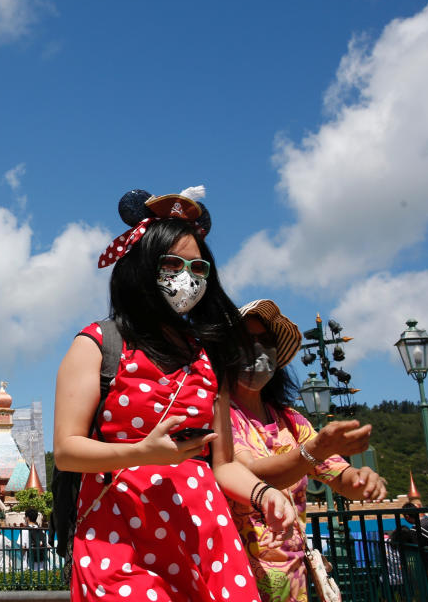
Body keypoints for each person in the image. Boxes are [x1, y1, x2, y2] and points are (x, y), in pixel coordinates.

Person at [54, 188, 297, 601]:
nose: (188, 277)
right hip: (120, 532)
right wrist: (142, 453)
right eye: (172, 264)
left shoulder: (209, 356)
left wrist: (265, 493)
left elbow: (220, 464)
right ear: (142, 267)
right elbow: (66, 450)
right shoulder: (98, 343)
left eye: (198, 267)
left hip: (204, 530)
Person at [229, 299, 387, 602]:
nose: (258, 349)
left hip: (294, 583)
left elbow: (341, 478)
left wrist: (364, 480)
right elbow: (245, 473)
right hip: (239, 577)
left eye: (265, 341)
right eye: (246, 341)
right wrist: (311, 452)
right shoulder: (221, 416)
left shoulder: (291, 420)